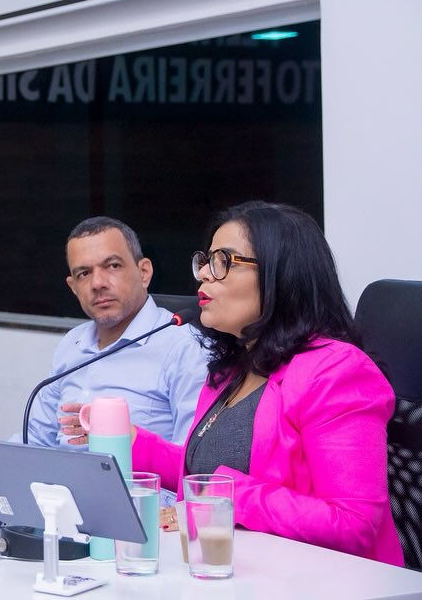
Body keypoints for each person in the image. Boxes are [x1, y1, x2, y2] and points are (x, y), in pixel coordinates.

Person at [132, 201, 402, 565]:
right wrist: (135, 443)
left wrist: (229, 497)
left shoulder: (337, 371)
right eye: (206, 261)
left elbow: (353, 523)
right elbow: (211, 469)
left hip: (326, 579)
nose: (204, 275)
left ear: (281, 275)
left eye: (223, 261)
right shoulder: (231, 370)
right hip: (244, 569)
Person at [26, 217, 208, 447]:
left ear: (144, 272)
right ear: (73, 287)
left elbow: (192, 459)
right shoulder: (71, 343)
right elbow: (34, 441)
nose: (98, 283)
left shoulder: (186, 348)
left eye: (113, 266)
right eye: (84, 273)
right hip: (59, 471)